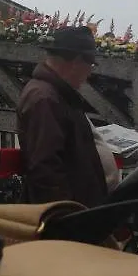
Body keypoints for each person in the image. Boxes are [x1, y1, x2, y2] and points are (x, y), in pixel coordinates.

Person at [16, 25, 115, 207]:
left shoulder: (55, 94)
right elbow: (45, 167)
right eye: (91, 64)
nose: (90, 72)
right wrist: (66, 214)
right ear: (77, 62)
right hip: (68, 215)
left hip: (77, 210)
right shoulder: (45, 99)